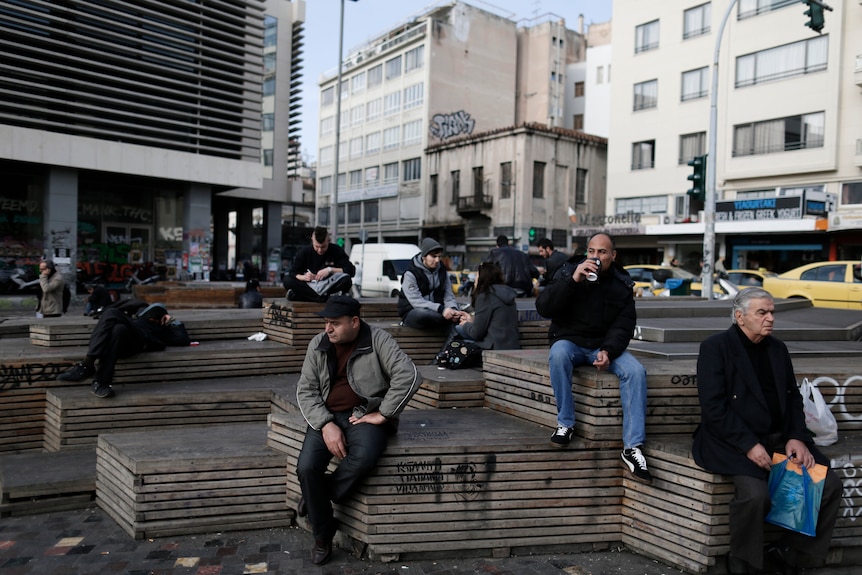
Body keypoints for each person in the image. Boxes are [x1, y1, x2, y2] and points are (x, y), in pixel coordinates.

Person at [692, 287, 841, 575]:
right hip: (730, 441)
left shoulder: (777, 349)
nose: (770, 318)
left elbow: (793, 397)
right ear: (740, 316)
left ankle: (790, 555)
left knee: (829, 485)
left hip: (779, 439)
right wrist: (748, 444)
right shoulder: (716, 348)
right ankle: (744, 565)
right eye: (762, 312)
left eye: (772, 312)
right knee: (755, 495)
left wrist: (797, 436)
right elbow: (714, 408)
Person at [295, 295, 420, 565]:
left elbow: (409, 374)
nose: (328, 329)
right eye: (326, 323)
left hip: (361, 415)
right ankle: (322, 535)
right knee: (306, 468)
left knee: (364, 458)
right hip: (325, 417)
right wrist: (325, 424)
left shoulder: (378, 341)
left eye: (335, 323)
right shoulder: (318, 344)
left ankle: (316, 495)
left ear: (354, 321)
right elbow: (305, 390)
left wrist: (384, 413)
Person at [535, 232, 651, 483]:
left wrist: (608, 350)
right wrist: (573, 280)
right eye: (591, 251)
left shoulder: (621, 284)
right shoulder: (568, 271)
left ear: (613, 255)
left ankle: (632, 447)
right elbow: (544, 307)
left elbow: (624, 324)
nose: (595, 257)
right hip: (572, 342)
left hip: (603, 346)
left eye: (601, 252)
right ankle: (565, 423)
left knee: (636, 371)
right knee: (558, 354)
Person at [56, 300, 191, 398]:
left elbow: (183, 340)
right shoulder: (135, 320)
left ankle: (87, 364)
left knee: (111, 312)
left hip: (141, 342)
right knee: (118, 329)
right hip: (121, 343)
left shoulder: (162, 329)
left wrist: (172, 322)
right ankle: (101, 381)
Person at [397, 237, 462, 330]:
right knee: (423, 314)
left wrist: (453, 309)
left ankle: (449, 337)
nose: (437, 260)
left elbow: (448, 295)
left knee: (456, 316)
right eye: (434, 256)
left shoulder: (442, 271)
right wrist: (441, 309)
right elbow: (416, 301)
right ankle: (447, 321)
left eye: (439, 256)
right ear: (424, 256)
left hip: (438, 313)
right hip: (412, 312)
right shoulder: (411, 274)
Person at [455, 261, 520, 351]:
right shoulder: (507, 294)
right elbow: (495, 323)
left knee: (456, 329)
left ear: (482, 278)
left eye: (477, 276)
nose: (475, 280)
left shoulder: (485, 297)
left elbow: (476, 333)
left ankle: (441, 360)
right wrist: (471, 320)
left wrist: (465, 324)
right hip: (511, 346)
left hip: (492, 348)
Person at [283, 226, 355, 303]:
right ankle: (322, 298)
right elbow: (293, 272)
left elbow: (351, 270)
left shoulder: (336, 250)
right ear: (312, 240)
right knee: (287, 280)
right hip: (310, 285)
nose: (320, 250)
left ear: (328, 241)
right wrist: (304, 277)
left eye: (323, 247)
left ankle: (303, 297)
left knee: (347, 280)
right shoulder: (304, 252)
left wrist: (330, 270)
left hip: (329, 284)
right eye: (316, 246)